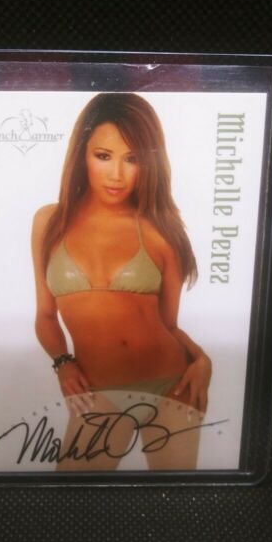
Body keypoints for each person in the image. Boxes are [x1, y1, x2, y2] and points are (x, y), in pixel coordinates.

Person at [31, 93, 212, 470]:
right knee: (72, 496)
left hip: (173, 386)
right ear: (82, 155)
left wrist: (202, 359)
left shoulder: (162, 231)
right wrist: (63, 363)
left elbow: (169, 326)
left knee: (175, 498)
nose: (116, 174)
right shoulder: (49, 222)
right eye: (103, 156)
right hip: (98, 391)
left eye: (132, 159)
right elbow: (46, 316)